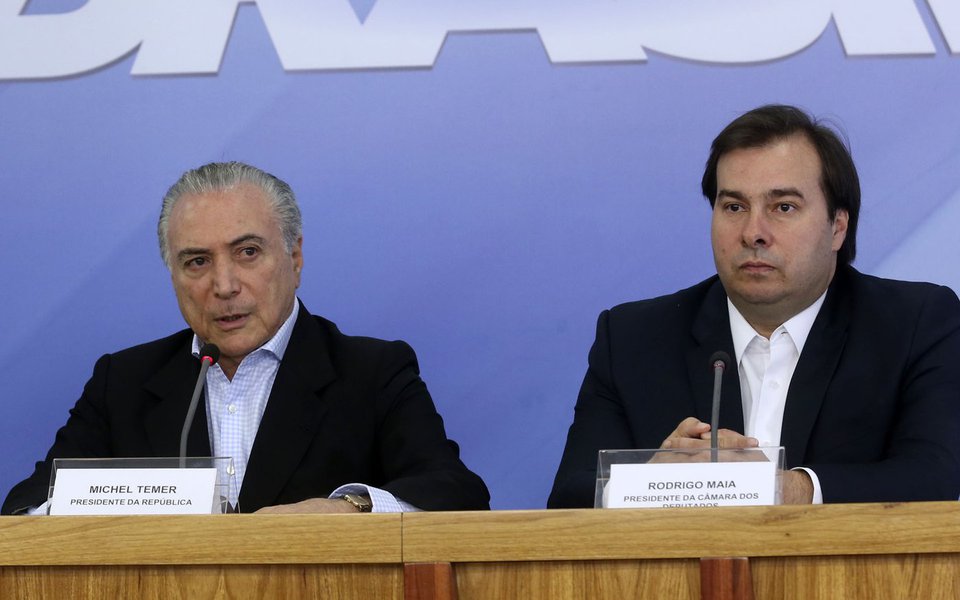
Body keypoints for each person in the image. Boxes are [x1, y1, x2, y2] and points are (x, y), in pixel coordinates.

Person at [3, 162, 489, 515]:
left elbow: (456, 494)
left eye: (248, 252)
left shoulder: (371, 371)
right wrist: (103, 512)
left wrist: (350, 509)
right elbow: (26, 509)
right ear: (172, 273)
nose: (224, 285)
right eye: (197, 262)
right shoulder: (123, 382)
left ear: (294, 258)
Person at [548, 104, 960, 508]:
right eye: (734, 207)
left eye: (783, 207)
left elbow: (935, 477)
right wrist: (653, 481)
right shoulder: (633, 338)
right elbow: (569, 497)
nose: (753, 233)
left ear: (837, 227)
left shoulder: (915, 323)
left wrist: (791, 489)